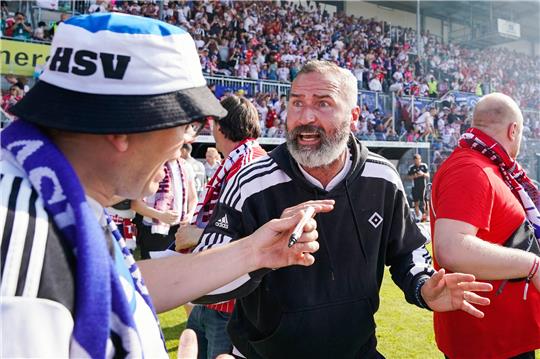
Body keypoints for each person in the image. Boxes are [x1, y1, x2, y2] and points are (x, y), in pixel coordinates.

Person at [0, 13, 324, 358]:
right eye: (186, 123)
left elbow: (116, 283)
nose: (191, 138)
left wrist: (257, 251)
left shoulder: (46, 201)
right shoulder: (24, 241)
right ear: (124, 128)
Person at [191, 60, 493, 359]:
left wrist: (424, 286)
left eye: (323, 103)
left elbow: (407, 251)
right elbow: (203, 282)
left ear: (354, 117)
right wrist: (258, 255)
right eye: (296, 103)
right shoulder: (250, 182)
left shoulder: (383, 178)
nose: (305, 117)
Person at [430, 93, 540, 359]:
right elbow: (451, 248)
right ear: (513, 130)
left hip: (503, 336)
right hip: (489, 342)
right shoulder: (471, 169)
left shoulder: (486, 167)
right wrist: (533, 265)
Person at [177, 94, 266, 359]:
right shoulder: (236, 160)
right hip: (211, 292)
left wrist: (197, 234)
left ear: (220, 125)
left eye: (213, 122)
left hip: (229, 300)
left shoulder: (249, 162)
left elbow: (257, 231)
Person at [132, 158, 197, 259]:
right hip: (154, 231)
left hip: (180, 229)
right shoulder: (150, 166)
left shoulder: (185, 166)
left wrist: (190, 215)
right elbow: (135, 204)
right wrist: (160, 216)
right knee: (153, 271)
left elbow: (193, 198)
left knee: (176, 271)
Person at [407, 153, 430, 222]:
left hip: (423, 187)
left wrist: (422, 174)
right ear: (414, 161)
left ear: (420, 159)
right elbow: (408, 177)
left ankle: (427, 216)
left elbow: (428, 175)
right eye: (416, 160)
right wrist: (415, 176)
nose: (417, 161)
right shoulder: (411, 167)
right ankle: (418, 217)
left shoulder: (424, 166)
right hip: (415, 187)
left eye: (418, 160)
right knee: (416, 203)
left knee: (426, 202)